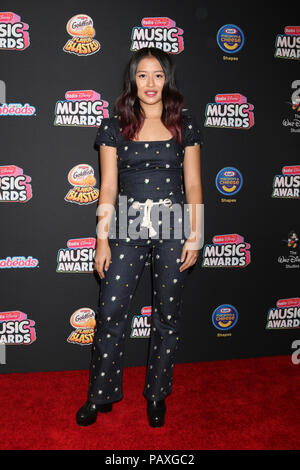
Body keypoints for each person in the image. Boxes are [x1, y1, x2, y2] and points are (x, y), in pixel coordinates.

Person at [76, 47, 204, 427]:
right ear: (133, 79)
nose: (150, 83)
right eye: (143, 75)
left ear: (169, 80)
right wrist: (101, 239)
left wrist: (195, 235)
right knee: (111, 312)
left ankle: (157, 395)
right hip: (126, 228)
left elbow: (194, 184)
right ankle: (100, 395)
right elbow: (109, 188)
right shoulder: (115, 125)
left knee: (167, 316)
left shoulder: (185, 122)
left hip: (173, 227)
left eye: (158, 75)